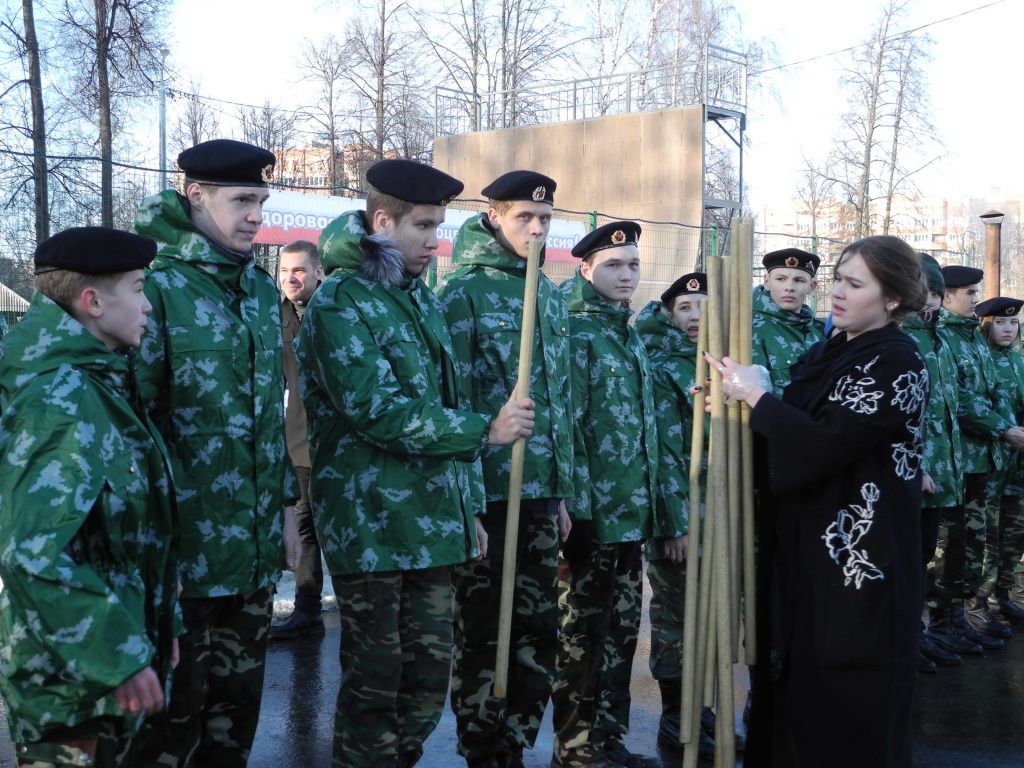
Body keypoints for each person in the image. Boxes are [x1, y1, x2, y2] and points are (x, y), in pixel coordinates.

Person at [295, 159, 536, 768]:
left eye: (439, 228)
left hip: (433, 526)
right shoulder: (340, 303)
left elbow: (438, 402)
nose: (436, 242)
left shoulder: (418, 299)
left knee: (426, 687)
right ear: (383, 222)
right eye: (424, 227)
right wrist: (486, 428)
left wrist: (469, 510)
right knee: (377, 686)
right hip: (373, 526)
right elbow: (376, 411)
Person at [715, 235, 928, 768]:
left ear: (892, 300)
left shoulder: (896, 362)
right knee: (796, 692)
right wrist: (744, 401)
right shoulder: (830, 350)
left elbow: (825, 444)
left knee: (844, 706)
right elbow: (796, 427)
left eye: (855, 284)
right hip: (809, 556)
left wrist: (759, 399)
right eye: (837, 277)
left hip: (860, 566)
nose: (836, 292)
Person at [133, 138, 300, 767]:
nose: (257, 214)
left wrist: (285, 509)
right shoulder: (155, 287)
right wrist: (156, 549)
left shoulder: (257, 292)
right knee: (172, 729)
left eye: (261, 200)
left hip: (250, 554)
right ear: (196, 196)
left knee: (235, 722)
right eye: (242, 200)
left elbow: (266, 416)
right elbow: (136, 430)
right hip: (185, 557)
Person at [0, 228, 178, 767]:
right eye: (139, 288)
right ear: (93, 302)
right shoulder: (62, 397)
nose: (148, 306)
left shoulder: (94, 378)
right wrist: (120, 656)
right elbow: (32, 552)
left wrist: (156, 624)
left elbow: (113, 531)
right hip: (71, 687)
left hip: (91, 673)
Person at [437, 170, 574, 768]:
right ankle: (482, 748)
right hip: (491, 492)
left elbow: (558, 402)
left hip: (541, 491)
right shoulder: (463, 293)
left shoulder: (547, 290)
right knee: (485, 632)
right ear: (494, 215)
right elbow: (455, 400)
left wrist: (562, 491)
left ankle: (516, 743)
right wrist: (468, 502)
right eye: (525, 217)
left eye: (545, 219)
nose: (537, 229)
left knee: (539, 631)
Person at [551, 222, 659, 768]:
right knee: (580, 638)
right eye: (615, 265)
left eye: (634, 266)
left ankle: (608, 738)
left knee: (619, 632)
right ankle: (574, 746)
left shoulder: (626, 331)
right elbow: (566, 428)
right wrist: (575, 508)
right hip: (593, 516)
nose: (626, 275)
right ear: (586, 269)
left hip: (629, 513)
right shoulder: (575, 329)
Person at [634, 272, 719, 760]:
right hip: (682, 508)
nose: (695, 317)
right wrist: (673, 522)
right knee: (675, 614)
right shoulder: (664, 367)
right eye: (685, 307)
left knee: (710, 614)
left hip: (723, 508)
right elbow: (664, 450)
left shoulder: (724, 365)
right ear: (669, 313)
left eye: (703, 306)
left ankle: (703, 710)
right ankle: (676, 716)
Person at [935, 265, 1023, 652]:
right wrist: (1004, 429)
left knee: (979, 539)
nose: (974, 297)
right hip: (962, 457)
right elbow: (959, 397)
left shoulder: (970, 337)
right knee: (956, 544)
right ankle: (953, 616)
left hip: (988, 457)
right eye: (969, 292)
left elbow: (995, 395)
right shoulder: (944, 338)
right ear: (947, 296)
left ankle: (970, 611)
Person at [902, 255, 967, 671]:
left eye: (936, 294)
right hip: (911, 469)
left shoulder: (938, 338)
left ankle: (918, 634)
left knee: (924, 554)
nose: (930, 302)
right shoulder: (902, 338)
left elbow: (946, 408)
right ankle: (904, 640)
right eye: (923, 292)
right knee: (905, 558)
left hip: (940, 470)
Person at [270, 239, 327, 641]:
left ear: (318, 271)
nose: (291, 277)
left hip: (343, 445)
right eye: (285, 270)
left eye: (300, 270)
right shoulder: (277, 316)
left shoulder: (338, 309)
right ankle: (308, 611)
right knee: (304, 528)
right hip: (300, 443)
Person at [974, 296, 1024, 627]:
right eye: (1000, 323)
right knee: (986, 533)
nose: (1007, 329)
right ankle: (979, 601)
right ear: (987, 326)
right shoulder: (979, 358)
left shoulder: (1019, 361)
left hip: (1017, 463)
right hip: (990, 460)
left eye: (1013, 323)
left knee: (1014, 530)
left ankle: (1004, 595)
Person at [752, 248, 825, 395]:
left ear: (812, 287)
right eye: (780, 279)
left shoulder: (818, 331)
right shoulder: (749, 327)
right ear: (767, 282)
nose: (789, 288)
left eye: (799, 280)